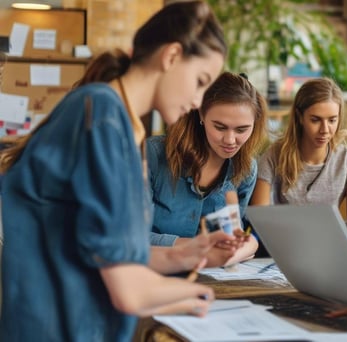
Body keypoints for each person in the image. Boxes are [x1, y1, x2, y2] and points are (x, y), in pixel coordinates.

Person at [0, 2, 243, 341]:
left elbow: (115, 250)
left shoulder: (128, 128)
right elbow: (128, 290)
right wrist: (203, 298)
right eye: (201, 81)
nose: (198, 100)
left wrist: (187, 253)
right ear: (172, 56)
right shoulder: (101, 115)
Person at [250, 77, 347, 259]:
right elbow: (261, 214)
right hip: (285, 249)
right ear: (300, 117)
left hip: (330, 249)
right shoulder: (275, 155)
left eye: (332, 120)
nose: (325, 129)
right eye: (315, 120)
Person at [147, 71, 267, 266]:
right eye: (220, 127)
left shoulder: (245, 170)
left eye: (241, 129)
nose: (230, 140)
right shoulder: (153, 155)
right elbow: (129, 237)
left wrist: (243, 247)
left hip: (214, 279)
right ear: (201, 113)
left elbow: (235, 235)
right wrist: (196, 246)